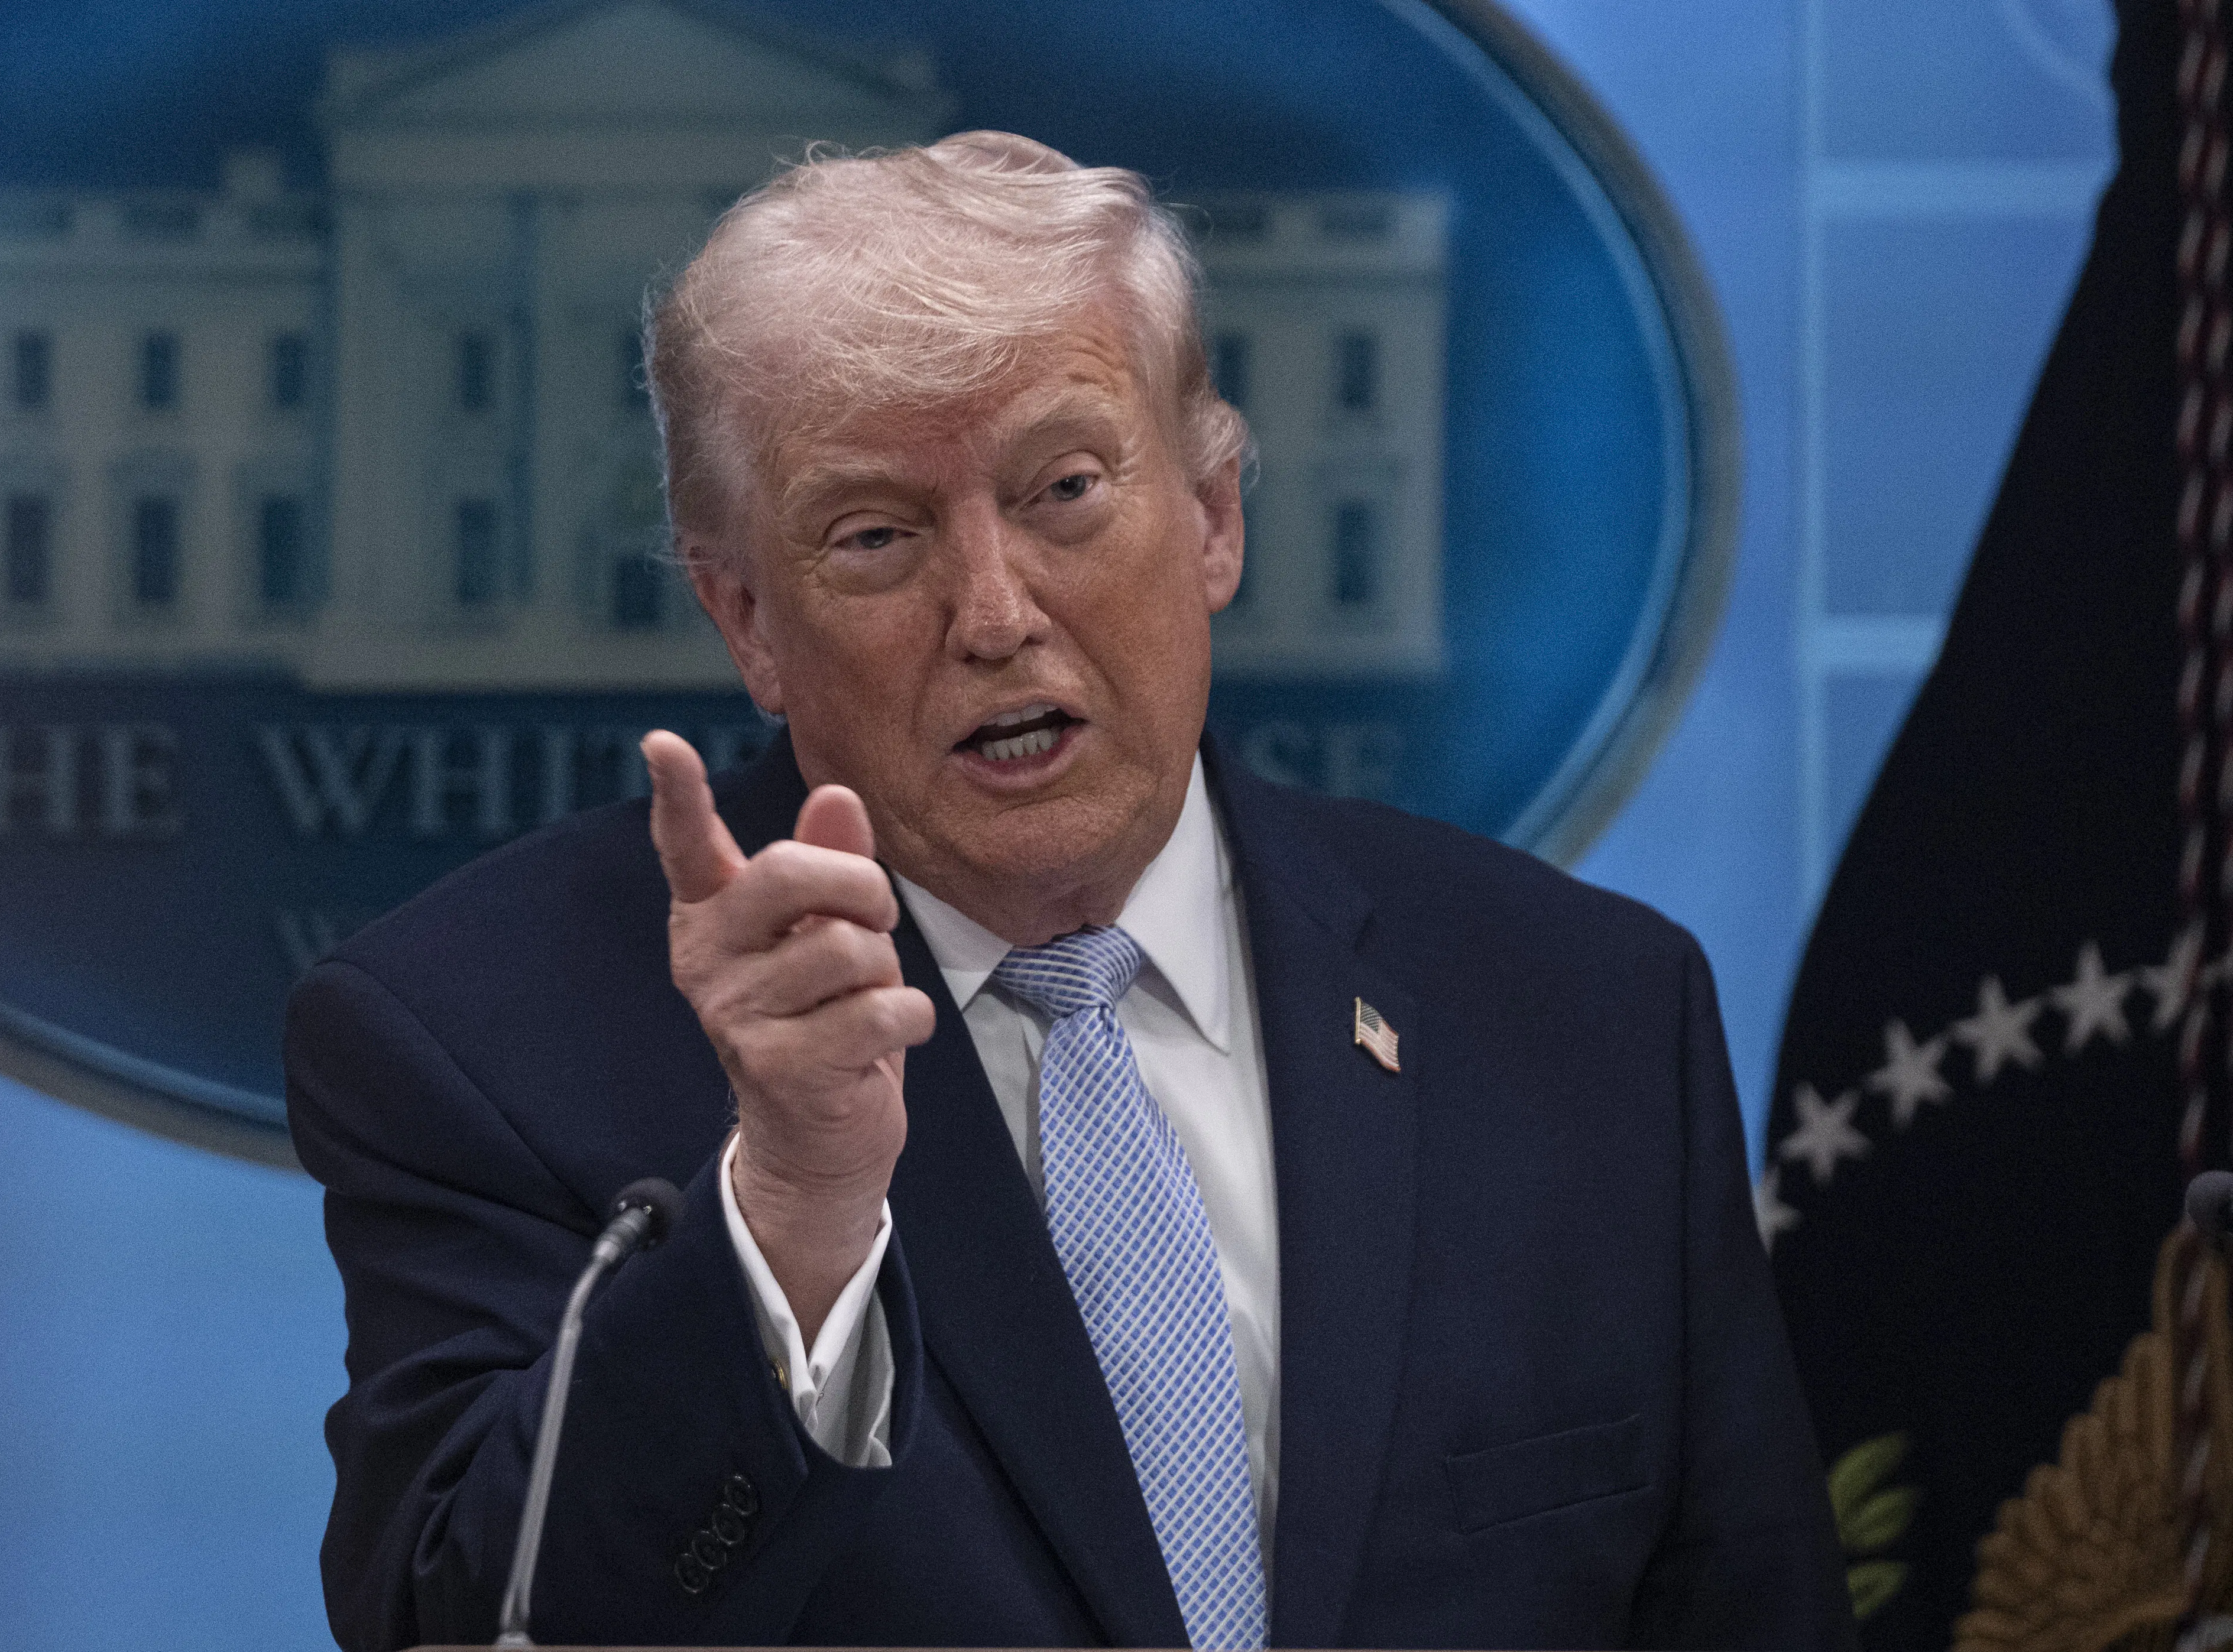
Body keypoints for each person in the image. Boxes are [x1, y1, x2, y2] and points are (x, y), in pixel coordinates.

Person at [287, 131, 1854, 1652]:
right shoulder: (477, 1045)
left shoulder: (1584, 1015)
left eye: (1065, 490)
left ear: (1215, 516)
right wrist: (787, 1219)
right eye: (878, 534)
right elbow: (466, 1622)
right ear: (746, 617)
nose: (992, 612)